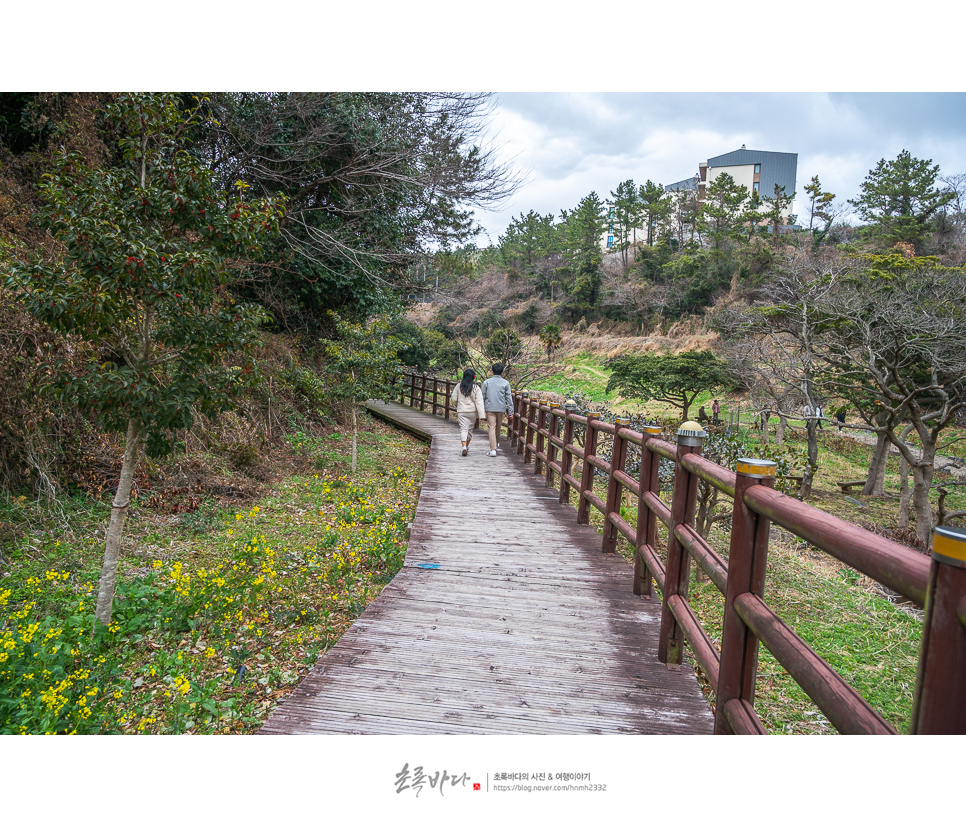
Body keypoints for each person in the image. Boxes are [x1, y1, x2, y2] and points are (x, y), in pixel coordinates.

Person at [480, 362, 514, 457]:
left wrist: (481, 410)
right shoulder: (505, 383)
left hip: (489, 407)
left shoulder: (487, 382)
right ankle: (496, 444)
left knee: (491, 427)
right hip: (501, 408)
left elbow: (482, 396)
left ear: (492, 371)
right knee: (498, 427)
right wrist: (511, 412)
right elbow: (509, 398)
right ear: (502, 372)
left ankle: (493, 449)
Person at [450, 368, 485, 457]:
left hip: (462, 411)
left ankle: (464, 447)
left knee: (463, 429)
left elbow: (453, 398)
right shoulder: (476, 388)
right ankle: (466, 446)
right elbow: (479, 402)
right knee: (469, 430)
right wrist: (482, 415)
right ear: (473, 377)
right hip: (472, 412)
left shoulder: (459, 386)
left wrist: (457, 404)